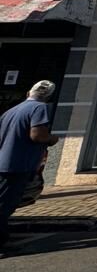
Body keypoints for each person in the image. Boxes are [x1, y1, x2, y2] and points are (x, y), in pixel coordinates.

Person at [0, 80, 59, 246]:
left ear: (28, 93)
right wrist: (52, 139)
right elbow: (37, 135)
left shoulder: (11, 111)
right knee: (5, 204)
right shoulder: (40, 108)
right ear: (48, 97)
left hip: (5, 162)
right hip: (18, 164)